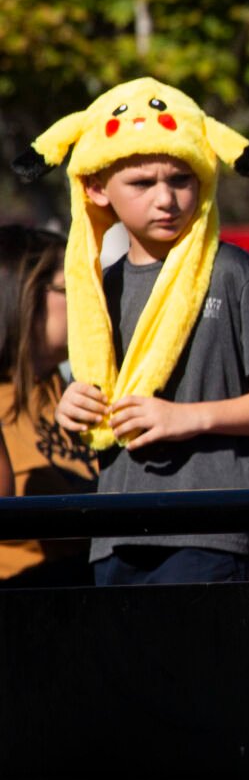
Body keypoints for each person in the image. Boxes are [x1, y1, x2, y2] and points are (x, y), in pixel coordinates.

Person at [24, 78, 249, 585]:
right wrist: (71, 405)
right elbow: (96, 395)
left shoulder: (233, 272)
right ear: (96, 187)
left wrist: (186, 418)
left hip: (209, 535)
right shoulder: (97, 287)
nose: (167, 198)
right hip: (114, 535)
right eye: (142, 183)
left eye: (181, 178)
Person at [0, 225, 98, 587]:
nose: (91, 300)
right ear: (24, 295)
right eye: (72, 287)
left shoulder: (77, 391)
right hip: (27, 604)